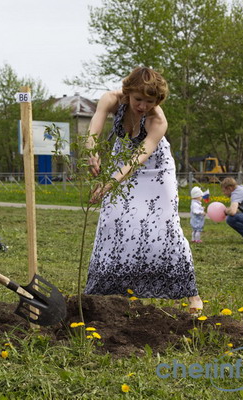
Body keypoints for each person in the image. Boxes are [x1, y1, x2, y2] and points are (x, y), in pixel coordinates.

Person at [83, 67, 203, 314]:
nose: (142, 106)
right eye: (138, 99)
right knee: (112, 220)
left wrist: (110, 183)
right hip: (120, 162)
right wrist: (91, 150)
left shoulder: (158, 121)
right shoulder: (111, 99)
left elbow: (139, 157)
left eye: (150, 102)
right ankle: (106, 292)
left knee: (165, 225)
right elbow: (95, 125)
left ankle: (192, 294)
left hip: (155, 170)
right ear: (128, 93)